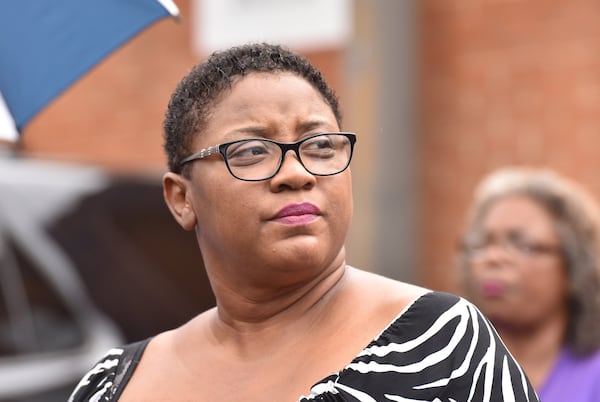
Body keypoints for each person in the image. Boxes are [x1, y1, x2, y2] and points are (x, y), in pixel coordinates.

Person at [69, 43, 538, 402]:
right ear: (181, 198)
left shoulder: (441, 344)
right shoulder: (113, 384)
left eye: (320, 146)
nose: (297, 173)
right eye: (252, 151)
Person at [459, 166, 600, 401]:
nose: (492, 258)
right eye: (482, 243)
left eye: (521, 244)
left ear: (575, 265)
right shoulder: (444, 369)